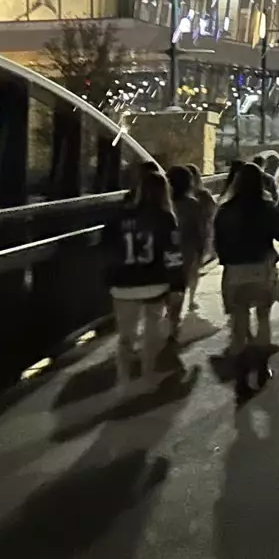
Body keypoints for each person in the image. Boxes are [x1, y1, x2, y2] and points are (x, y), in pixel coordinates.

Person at [212, 160, 279, 397]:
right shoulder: (266, 207)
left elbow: (217, 245)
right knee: (263, 318)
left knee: (239, 323)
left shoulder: (225, 210)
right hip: (262, 267)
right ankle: (263, 367)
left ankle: (241, 376)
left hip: (235, 270)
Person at [105, 162, 179, 390]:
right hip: (153, 283)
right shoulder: (165, 218)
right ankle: (148, 375)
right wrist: (177, 284)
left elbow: (108, 248)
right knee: (151, 331)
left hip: (123, 283)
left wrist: (109, 278)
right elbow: (173, 255)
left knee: (125, 335)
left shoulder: (119, 216)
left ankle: (123, 378)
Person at [165, 164, 215, 331]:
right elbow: (200, 228)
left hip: (165, 251)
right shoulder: (193, 205)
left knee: (168, 283)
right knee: (181, 283)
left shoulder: (164, 203)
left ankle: (170, 314)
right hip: (187, 250)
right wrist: (203, 247)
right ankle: (174, 320)